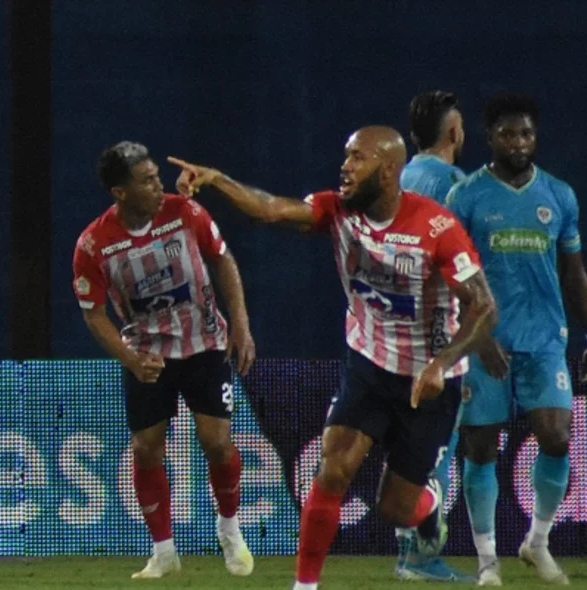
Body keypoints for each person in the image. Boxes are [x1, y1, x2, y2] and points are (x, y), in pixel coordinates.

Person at [168, 125, 498, 590]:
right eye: (346, 156)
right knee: (333, 469)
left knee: (394, 507)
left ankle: (427, 505)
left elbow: (483, 306)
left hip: (427, 378)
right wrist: (217, 179)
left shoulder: (436, 227)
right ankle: (305, 586)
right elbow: (269, 209)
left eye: (357, 158)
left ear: (387, 171)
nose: (345, 167)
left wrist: (442, 363)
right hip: (367, 364)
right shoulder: (337, 209)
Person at [72, 141, 256, 580]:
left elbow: (223, 260)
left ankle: (229, 529)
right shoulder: (94, 244)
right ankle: (164, 552)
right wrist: (130, 358)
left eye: (157, 176)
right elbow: (93, 314)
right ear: (120, 192)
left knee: (215, 441)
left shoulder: (185, 213)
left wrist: (242, 324)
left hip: (204, 343)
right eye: (147, 180)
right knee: (145, 448)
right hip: (148, 355)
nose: (159, 186)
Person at [447, 93, 582, 586]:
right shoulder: (467, 197)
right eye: (508, 133)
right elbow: (451, 275)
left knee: (556, 436)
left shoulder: (559, 195)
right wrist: (476, 336)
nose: (518, 142)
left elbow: (573, 273)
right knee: (480, 448)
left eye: (526, 133)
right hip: (487, 343)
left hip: (545, 338)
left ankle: (537, 542)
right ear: (490, 138)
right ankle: (487, 560)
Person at [392, 89, 473, 582]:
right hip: (438, 336)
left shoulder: (396, 178)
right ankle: (424, 558)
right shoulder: (456, 186)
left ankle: (407, 553)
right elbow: (464, 270)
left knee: (408, 450)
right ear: (454, 132)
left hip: (387, 334)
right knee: (436, 449)